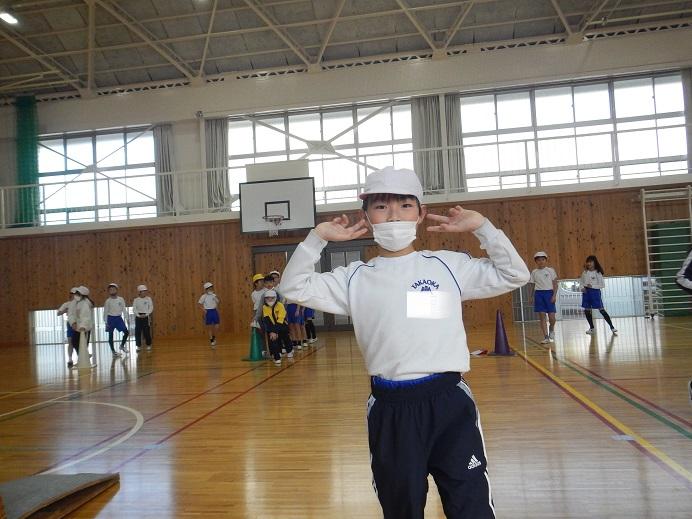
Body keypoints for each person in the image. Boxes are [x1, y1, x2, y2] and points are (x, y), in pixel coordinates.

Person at [280, 166, 529, 518]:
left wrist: (484, 229)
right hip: (390, 408)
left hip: (449, 402)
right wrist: (316, 238)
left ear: (421, 214)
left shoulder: (447, 266)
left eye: (405, 205)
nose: (394, 214)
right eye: (381, 206)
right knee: (401, 507)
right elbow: (293, 287)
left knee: (470, 504)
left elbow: (515, 274)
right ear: (367, 216)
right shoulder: (354, 279)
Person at [580, 255, 617, 335]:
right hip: (586, 293)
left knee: (601, 310)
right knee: (586, 310)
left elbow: (602, 285)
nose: (589, 263)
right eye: (588, 262)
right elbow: (581, 282)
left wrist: (592, 286)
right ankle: (591, 328)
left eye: (591, 262)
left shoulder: (598, 272)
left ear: (595, 262)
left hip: (595, 293)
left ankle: (612, 327)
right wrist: (582, 288)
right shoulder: (584, 272)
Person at [528, 251, 558, 344]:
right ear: (536, 262)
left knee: (552, 317)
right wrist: (531, 296)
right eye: (538, 260)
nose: (541, 261)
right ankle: (546, 337)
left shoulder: (550, 270)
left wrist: (554, 295)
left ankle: (551, 329)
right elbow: (532, 285)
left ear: (546, 260)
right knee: (542, 315)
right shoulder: (534, 272)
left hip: (549, 294)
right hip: (539, 294)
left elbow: (555, 284)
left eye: (543, 259)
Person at [261, 289, 293, 366]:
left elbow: (281, 319)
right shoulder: (264, 307)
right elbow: (267, 319)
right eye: (268, 298)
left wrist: (275, 331)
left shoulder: (280, 305)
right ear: (265, 299)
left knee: (285, 338)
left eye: (272, 298)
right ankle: (277, 357)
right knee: (273, 339)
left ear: (275, 298)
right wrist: (271, 331)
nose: (270, 299)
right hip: (272, 326)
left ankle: (289, 351)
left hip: (282, 325)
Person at [69, 286, 94, 368]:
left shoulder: (85, 303)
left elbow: (86, 317)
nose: (75, 295)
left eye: (78, 293)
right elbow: (70, 314)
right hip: (77, 328)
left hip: (85, 329)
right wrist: (73, 322)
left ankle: (85, 361)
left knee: (84, 344)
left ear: (83, 295)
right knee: (74, 342)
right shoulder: (74, 303)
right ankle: (82, 359)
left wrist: (83, 326)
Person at [104, 283, 130, 356]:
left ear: (117, 290)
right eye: (110, 289)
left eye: (113, 289)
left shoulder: (121, 299)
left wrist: (127, 318)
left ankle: (122, 346)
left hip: (118, 318)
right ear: (109, 291)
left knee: (126, 332)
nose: (112, 290)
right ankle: (113, 352)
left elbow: (124, 309)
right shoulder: (108, 301)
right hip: (110, 319)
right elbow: (105, 312)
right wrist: (106, 322)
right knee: (110, 335)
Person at [132, 284, 154, 352]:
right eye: (143, 291)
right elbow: (134, 309)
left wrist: (146, 314)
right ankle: (138, 346)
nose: (144, 292)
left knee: (146, 332)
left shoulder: (148, 299)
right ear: (139, 292)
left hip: (146, 317)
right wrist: (138, 315)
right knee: (137, 332)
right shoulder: (136, 300)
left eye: (145, 291)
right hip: (138, 317)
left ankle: (148, 345)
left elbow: (151, 307)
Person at [199, 281, 220, 347]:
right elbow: (199, 304)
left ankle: (214, 337)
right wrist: (204, 310)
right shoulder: (203, 296)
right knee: (209, 327)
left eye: (211, 287)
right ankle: (211, 340)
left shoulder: (214, 295)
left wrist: (214, 297)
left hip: (214, 311)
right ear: (206, 289)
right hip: (208, 311)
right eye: (209, 288)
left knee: (217, 326)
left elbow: (218, 302)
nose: (211, 289)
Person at [57, 287, 78, 352]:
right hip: (70, 323)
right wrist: (65, 310)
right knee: (70, 343)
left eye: (76, 294)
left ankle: (82, 355)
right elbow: (58, 313)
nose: (74, 295)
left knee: (80, 342)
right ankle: (70, 357)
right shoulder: (66, 304)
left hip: (79, 323)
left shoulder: (80, 303)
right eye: (72, 294)